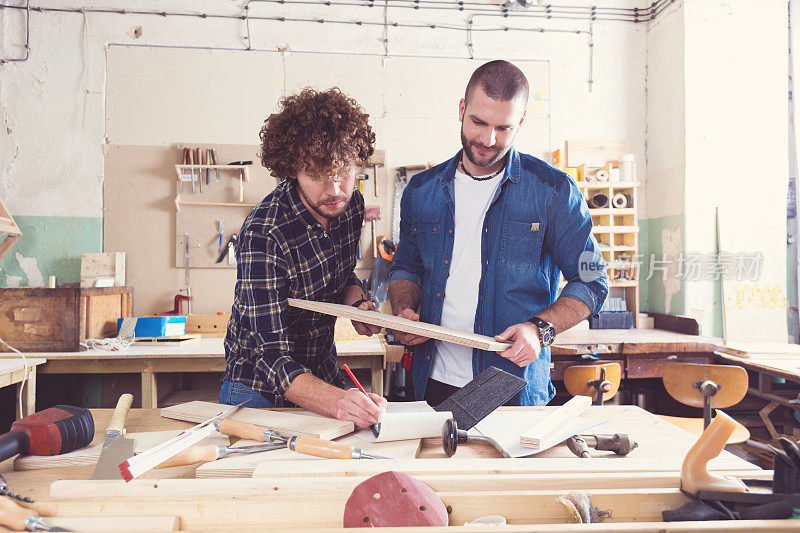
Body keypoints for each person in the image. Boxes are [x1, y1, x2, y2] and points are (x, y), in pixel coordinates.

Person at [387, 60, 608, 407]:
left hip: (510, 388)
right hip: (433, 383)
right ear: (462, 109)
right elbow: (406, 268)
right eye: (478, 122)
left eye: (503, 128)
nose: (488, 140)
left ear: (520, 123)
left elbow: (593, 281)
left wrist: (540, 330)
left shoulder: (554, 191)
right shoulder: (421, 191)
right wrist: (403, 310)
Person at [221, 87, 386, 429]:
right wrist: (340, 402)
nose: (335, 191)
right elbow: (269, 357)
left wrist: (357, 303)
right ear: (291, 169)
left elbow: (342, 276)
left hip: (321, 373)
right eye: (317, 175)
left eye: (342, 172)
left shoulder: (351, 207)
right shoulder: (265, 233)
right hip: (257, 392)